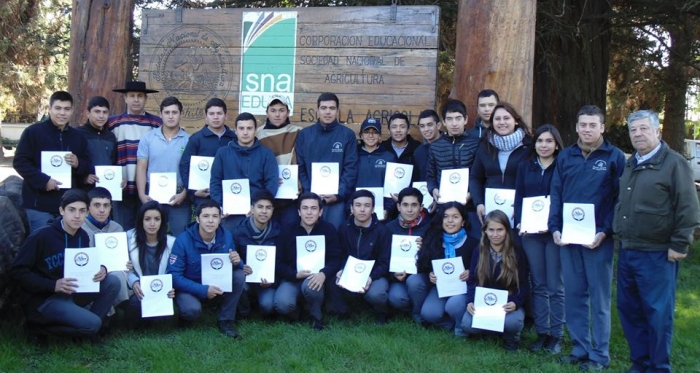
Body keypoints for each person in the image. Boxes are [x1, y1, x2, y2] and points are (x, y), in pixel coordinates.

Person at [613, 110, 700, 373]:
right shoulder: (631, 163)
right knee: (630, 311)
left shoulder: (674, 164)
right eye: (633, 130)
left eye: (643, 129)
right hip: (628, 251)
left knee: (658, 315)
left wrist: (680, 244)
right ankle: (640, 363)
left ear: (657, 132)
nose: (638, 134)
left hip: (658, 254)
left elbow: (688, 207)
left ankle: (659, 367)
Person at [549, 105, 625, 371]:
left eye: (593, 125)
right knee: (574, 294)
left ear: (602, 127)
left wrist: (606, 230)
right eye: (583, 125)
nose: (587, 129)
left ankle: (599, 355)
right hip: (568, 239)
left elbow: (619, 199)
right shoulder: (566, 156)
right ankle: (580, 348)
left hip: (598, 240)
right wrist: (555, 226)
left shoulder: (614, 157)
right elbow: (556, 192)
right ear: (577, 127)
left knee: (599, 299)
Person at [10, 189, 121, 343]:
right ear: (61, 210)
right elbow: (17, 271)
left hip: (71, 293)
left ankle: (88, 331)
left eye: (82, 211)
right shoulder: (42, 236)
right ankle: (37, 328)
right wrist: (53, 285)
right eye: (72, 210)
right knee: (92, 323)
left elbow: (84, 263)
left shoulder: (82, 236)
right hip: (44, 300)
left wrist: (101, 269)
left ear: (87, 212)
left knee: (112, 282)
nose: (77, 215)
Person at [513, 124, 565, 354]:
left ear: (556, 144)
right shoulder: (526, 166)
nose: (544, 145)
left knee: (555, 285)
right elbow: (519, 196)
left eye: (549, 141)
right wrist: (520, 222)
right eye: (540, 141)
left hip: (554, 234)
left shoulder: (563, 166)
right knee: (538, 283)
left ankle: (557, 335)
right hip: (531, 233)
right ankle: (542, 332)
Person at [13, 91, 93, 233]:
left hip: (68, 205)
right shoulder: (33, 132)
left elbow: (88, 166)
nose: (62, 113)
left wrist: (77, 163)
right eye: (58, 108)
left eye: (67, 109)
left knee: (65, 246)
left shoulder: (78, 137)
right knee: (42, 245)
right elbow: (20, 162)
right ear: (49, 109)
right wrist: (44, 181)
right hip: (39, 204)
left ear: (72, 111)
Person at [166, 200, 246, 338]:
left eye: (215, 216)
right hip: (190, 287)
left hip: (217, 284)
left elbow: (233, 260)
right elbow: (173, 276)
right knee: (191, 310)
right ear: (197, 219)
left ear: (220, 219)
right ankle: (186, 317)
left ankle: (226, 319)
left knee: (239, 275)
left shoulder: (226, 236)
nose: (210, 221)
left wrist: (238, 262)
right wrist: (203, 290)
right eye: (205, 216)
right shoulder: (183, 240)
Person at [461, 210, 529, 351]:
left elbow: (523, 284)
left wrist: (516, 302)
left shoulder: (517, 252)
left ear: (507, 231)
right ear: (485, 231)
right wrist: (470, 301)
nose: (495, 234)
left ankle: (511, 338)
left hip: (507, 304)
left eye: (500, 230)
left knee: (513, 323)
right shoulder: (478, 251)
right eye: (491, 230)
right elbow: (472, 281)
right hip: (485, 303)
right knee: (467, 324)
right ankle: (489, 331)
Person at [274, 192, 342, 330]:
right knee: (282, 304)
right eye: (305, 208)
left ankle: (316, 317)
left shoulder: (328, 229)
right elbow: (278, 261)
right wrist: (294, 274)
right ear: (299, 211)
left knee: (313, 286)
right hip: (293, 277)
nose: (309, 212)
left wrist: (323, 274)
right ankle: (299, 312)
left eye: (313, 208)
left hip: (316, 277)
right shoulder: (287, 231)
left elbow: (336, 258)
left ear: (320, 211)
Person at [411, 202, 479, 335]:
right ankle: (450, 324)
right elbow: (424, 264)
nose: (450, 221)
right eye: (446, 216)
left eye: (455, 217)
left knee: (453, 305)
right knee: (429, 314)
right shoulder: (434, 240)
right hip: (441, 288)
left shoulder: (474, 243)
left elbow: (482, 269)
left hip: (463, 289)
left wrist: (471, 272)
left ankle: (461, 328)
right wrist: (430, 273)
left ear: (463, 221)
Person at [326, 189, 390, 324]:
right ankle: (345, 313)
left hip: (374, 274)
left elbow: (384, 262)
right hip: (350, 271)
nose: (362, 210)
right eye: (358, 205)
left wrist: (370, 277)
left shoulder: (382, 231)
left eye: (367, 206)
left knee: (376, 294)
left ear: (373, 209)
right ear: (351, 208)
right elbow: (340, 254)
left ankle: (381, 313)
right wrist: (342, 270)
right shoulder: (344, 228)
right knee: (331, 279)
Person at [296, 92, 358, 229]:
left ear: (337, 111)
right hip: (311, 200)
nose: (328, 112)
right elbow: (300, 167)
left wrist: (338, 194)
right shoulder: (305, 135)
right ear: (317, 111)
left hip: (336, 200)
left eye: (332, 108)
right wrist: (309, 193)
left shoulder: (347, 135)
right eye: (324, 108)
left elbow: (351, 168)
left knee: (334, 238)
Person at [210, 112, 279, 233]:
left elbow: (271, 184)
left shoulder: (267, 154)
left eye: (249, 128)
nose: (245, 132)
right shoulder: (222, 153)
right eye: (241, 128)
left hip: (256, 215)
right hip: (229, 215)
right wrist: (221, 205)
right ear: (235, 130)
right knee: (231, 249)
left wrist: (258, 207)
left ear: (255, 130)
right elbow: (215, 181)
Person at [108, 81, 162, 231]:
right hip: (122, 186)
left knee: (147, 230)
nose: (136, 99)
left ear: (146, 99)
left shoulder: (157, 124)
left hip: (150, 188)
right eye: (132, 96)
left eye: (140, 96)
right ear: (125, 98)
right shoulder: (113, 123)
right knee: (123, 229)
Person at [135, 96, 191, 236]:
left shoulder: (189, 140)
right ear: (160, 114)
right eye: (167, 112)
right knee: (151, 237)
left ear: (180, 114)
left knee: (180, 237)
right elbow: (141, 167)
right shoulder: (148, 138)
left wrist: (183, 194)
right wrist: (142, 194)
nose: (170, 116)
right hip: (152, 195)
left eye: (174, 112)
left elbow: (192, 172)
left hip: (179, 197)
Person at [470, 102, 533, 225]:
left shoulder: (529, 146)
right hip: (490, 210)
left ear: (515, 121)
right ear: (492, 122)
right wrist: (479, 203)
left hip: (519, 211)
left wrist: (522, 205)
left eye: (506, 118)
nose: (502, 122)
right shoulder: (485, 146)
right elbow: (475, 178)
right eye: (497, 119)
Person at [426, 99, 480, 236]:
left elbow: (481, 176)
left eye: (458, 118)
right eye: (449, 119)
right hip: (444, 208)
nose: (454, 123)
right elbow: (431, 176)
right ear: (443, 122)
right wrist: (434, 190)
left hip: (470, 207)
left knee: (471, 246)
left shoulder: (477, 144)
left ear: (466, 119)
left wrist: (472, 194)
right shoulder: (435, 147)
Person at [124, 201, 176, 328]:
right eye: (147, 219)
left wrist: (172, 287)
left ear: (162, 221)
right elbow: (125, 267)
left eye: (157, 219)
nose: (152, 224)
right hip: (138, 289)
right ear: (141, 220)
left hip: (161, 290)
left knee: (161, 320)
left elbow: (174, 271)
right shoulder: (128, 238)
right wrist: (134, 282)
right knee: (135, 305)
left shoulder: (172, 242)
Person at [231, 190, 281, 318]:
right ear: (252, 209)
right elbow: (233, 257)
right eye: (260, 207)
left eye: (268, 208)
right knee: (238, 279)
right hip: (246, 277)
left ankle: (259, 304)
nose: (264, 211)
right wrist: (241, 266)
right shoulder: (238, 231)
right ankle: (244, 312)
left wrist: (272, 279)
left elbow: (282, 261)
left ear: (272, 211)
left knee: (268, 306)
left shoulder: (279, 231)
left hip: (267, 281)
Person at [179, 98, 236, 209]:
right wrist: (193, 191)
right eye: (211, 113)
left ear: (226, 115)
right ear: (205, 115)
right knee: (207, 225)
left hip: (230, 193)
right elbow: (184, 165)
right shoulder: (196, 139)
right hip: (204, 195)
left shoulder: (234, 139)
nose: (215, 117)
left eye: (219, 113)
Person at [384, 187, 431, 322]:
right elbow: (383, 257)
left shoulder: (430, 227)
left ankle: (418, 314)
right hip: (399, 277)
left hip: (421, 277)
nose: (409, 210)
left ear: (421, 207)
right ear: (398, 207)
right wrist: (393, 274)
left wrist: (425, 249)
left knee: (414, 282)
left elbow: (437, 258)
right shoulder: (389, 228)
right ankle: (412, 308)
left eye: (414, 205)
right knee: (396, 298)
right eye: (405, 205)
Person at [256, 96, 304, 227]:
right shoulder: (256, 135)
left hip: (291, 198)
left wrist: (299, 181)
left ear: (288, 112)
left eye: (281, 110)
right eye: (273, 110)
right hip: (266, 197)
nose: (277, 114)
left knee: (289, 235)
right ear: (267, 112)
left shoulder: (299, 132)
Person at [81, 187, 129, 308]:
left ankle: (120, 308)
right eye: (97, 205)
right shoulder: (81, 228)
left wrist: (126, 263)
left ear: (111, 207)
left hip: (114, 272)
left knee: (118, 275)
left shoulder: (117, 228)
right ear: (88, 207)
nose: (102, 210)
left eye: (106, 205)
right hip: (91, 274)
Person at [356, 117, 396, 219]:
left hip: (381, 211)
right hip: (356, 210)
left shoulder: (389, 157)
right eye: (367, 132)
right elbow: (348, 182)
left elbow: (392, 187)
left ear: (379, 136)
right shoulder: (353, 155)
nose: (370, 135)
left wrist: (388, 209)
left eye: (374, 132)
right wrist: (349, 208)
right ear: (361, 135)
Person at [76, 96, 119, 188]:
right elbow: (74, 162)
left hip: (107, 187)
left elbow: (114, 163)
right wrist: (83, 178)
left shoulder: (111, 136)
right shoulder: (78, 134)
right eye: (97, 111)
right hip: (85, 189)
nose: (101, 116)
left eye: (105, 112)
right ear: (88, 113)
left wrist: (118, 179)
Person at [380, 113, 422, 183]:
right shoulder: (382, 149)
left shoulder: (418, 149)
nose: (398, 130)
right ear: (388, 130)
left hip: (411, 192)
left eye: (402, 127)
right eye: (394, 127)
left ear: (408, 130)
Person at [413, 109, 443, 182]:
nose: (426, 129)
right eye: (422, 126)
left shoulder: (450, 146)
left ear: (438, 125)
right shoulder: (418, 152)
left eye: (429, 125)